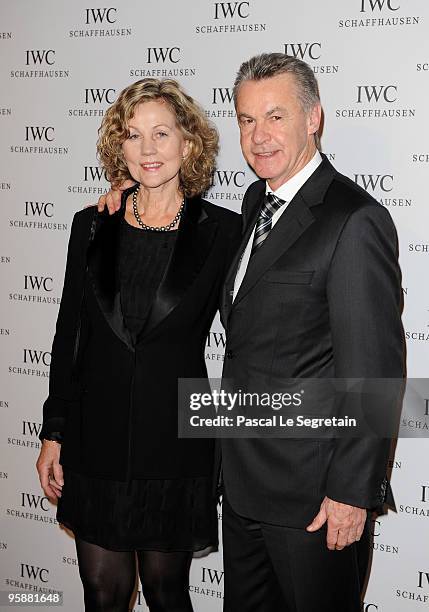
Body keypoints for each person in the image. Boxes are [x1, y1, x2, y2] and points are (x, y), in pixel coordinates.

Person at [98, 54, 404, 612]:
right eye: (245, 119)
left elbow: (376, 368)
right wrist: (123, 203)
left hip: (314, 500)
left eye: (275, 117)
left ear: (314, 119)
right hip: (241, 490)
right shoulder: (253, 204)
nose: (258, 136)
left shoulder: (353, 219)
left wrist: (351, 494)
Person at [36, 78, 240, 612]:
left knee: (166, 591)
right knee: (102, 591)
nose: (147, 150)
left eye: (161, 133)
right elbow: (68, 336)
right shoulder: (91, 226)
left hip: (174, 443)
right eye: (132, 135)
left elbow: (248, 339)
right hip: (94, 440)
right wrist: (54, 433)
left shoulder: (224, 233)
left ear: (188, 143)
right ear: (117, 146)